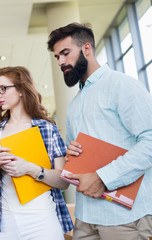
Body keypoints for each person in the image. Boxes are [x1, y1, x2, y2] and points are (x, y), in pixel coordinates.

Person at [47, 22, 152, 240]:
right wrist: (70, 153)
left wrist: (103, 178)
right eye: (57, 57)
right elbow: (73, 156)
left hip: (124, 217)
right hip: (86, 217)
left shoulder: (122, 85)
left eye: (65, 53)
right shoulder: (74, 105)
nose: (61, 62)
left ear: (87, 48)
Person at [0, 66, 73, 240]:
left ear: (21, 90)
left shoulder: (46, 128)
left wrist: (30, 169)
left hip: (42, 217)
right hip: (5, 220)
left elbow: (63, 181)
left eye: (3, 89)